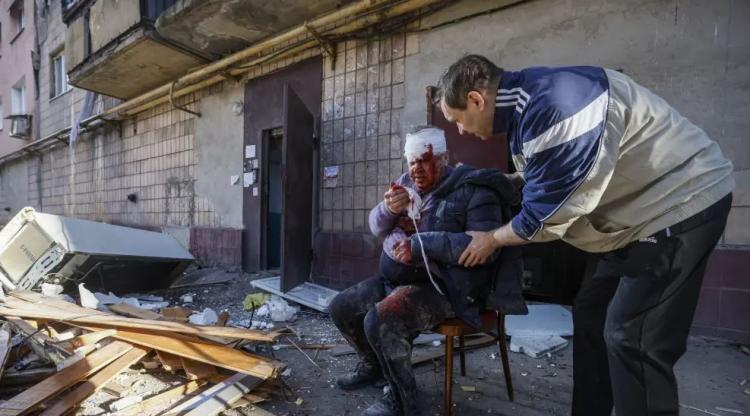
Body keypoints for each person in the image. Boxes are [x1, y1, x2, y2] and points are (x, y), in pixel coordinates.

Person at [437, 55, 735, 416]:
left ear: (476, 100)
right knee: (592, 312)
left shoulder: (554, 108)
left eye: (458, 121)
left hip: (678, 201)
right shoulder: (526, 106)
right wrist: (509, 182)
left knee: (631, 336)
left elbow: (543, 215)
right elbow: (548, 172)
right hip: (632, 218)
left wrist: (491, 239)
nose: (462, 132)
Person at [328, 126, 526, 416]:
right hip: (397, 278)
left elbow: (484, 248)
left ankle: (403, 400)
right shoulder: (406, 185)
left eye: (424, 161)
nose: (416, 170)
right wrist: (388, 209)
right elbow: (375, 226)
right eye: (411, 161)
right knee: (340, 307)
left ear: (444, 159)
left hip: (448, 287)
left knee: (380, 321)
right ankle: (374, 367)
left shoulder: (474, 190)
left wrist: (420, 245)